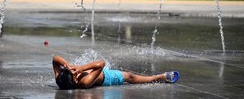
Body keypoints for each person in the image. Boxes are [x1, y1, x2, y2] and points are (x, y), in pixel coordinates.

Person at [52, 55, 180, 89]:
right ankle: (158, 77)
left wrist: (66, 65)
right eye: (76, 75)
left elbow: (55, 59)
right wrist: (81, 68)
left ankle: (157, 77)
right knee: (130, 76)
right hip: (107, 77)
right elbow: (101, 64)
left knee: (129, 73)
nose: (76, 72)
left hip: (97, 71)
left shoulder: (61, 79)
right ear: (75, 81)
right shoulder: (85, 82)